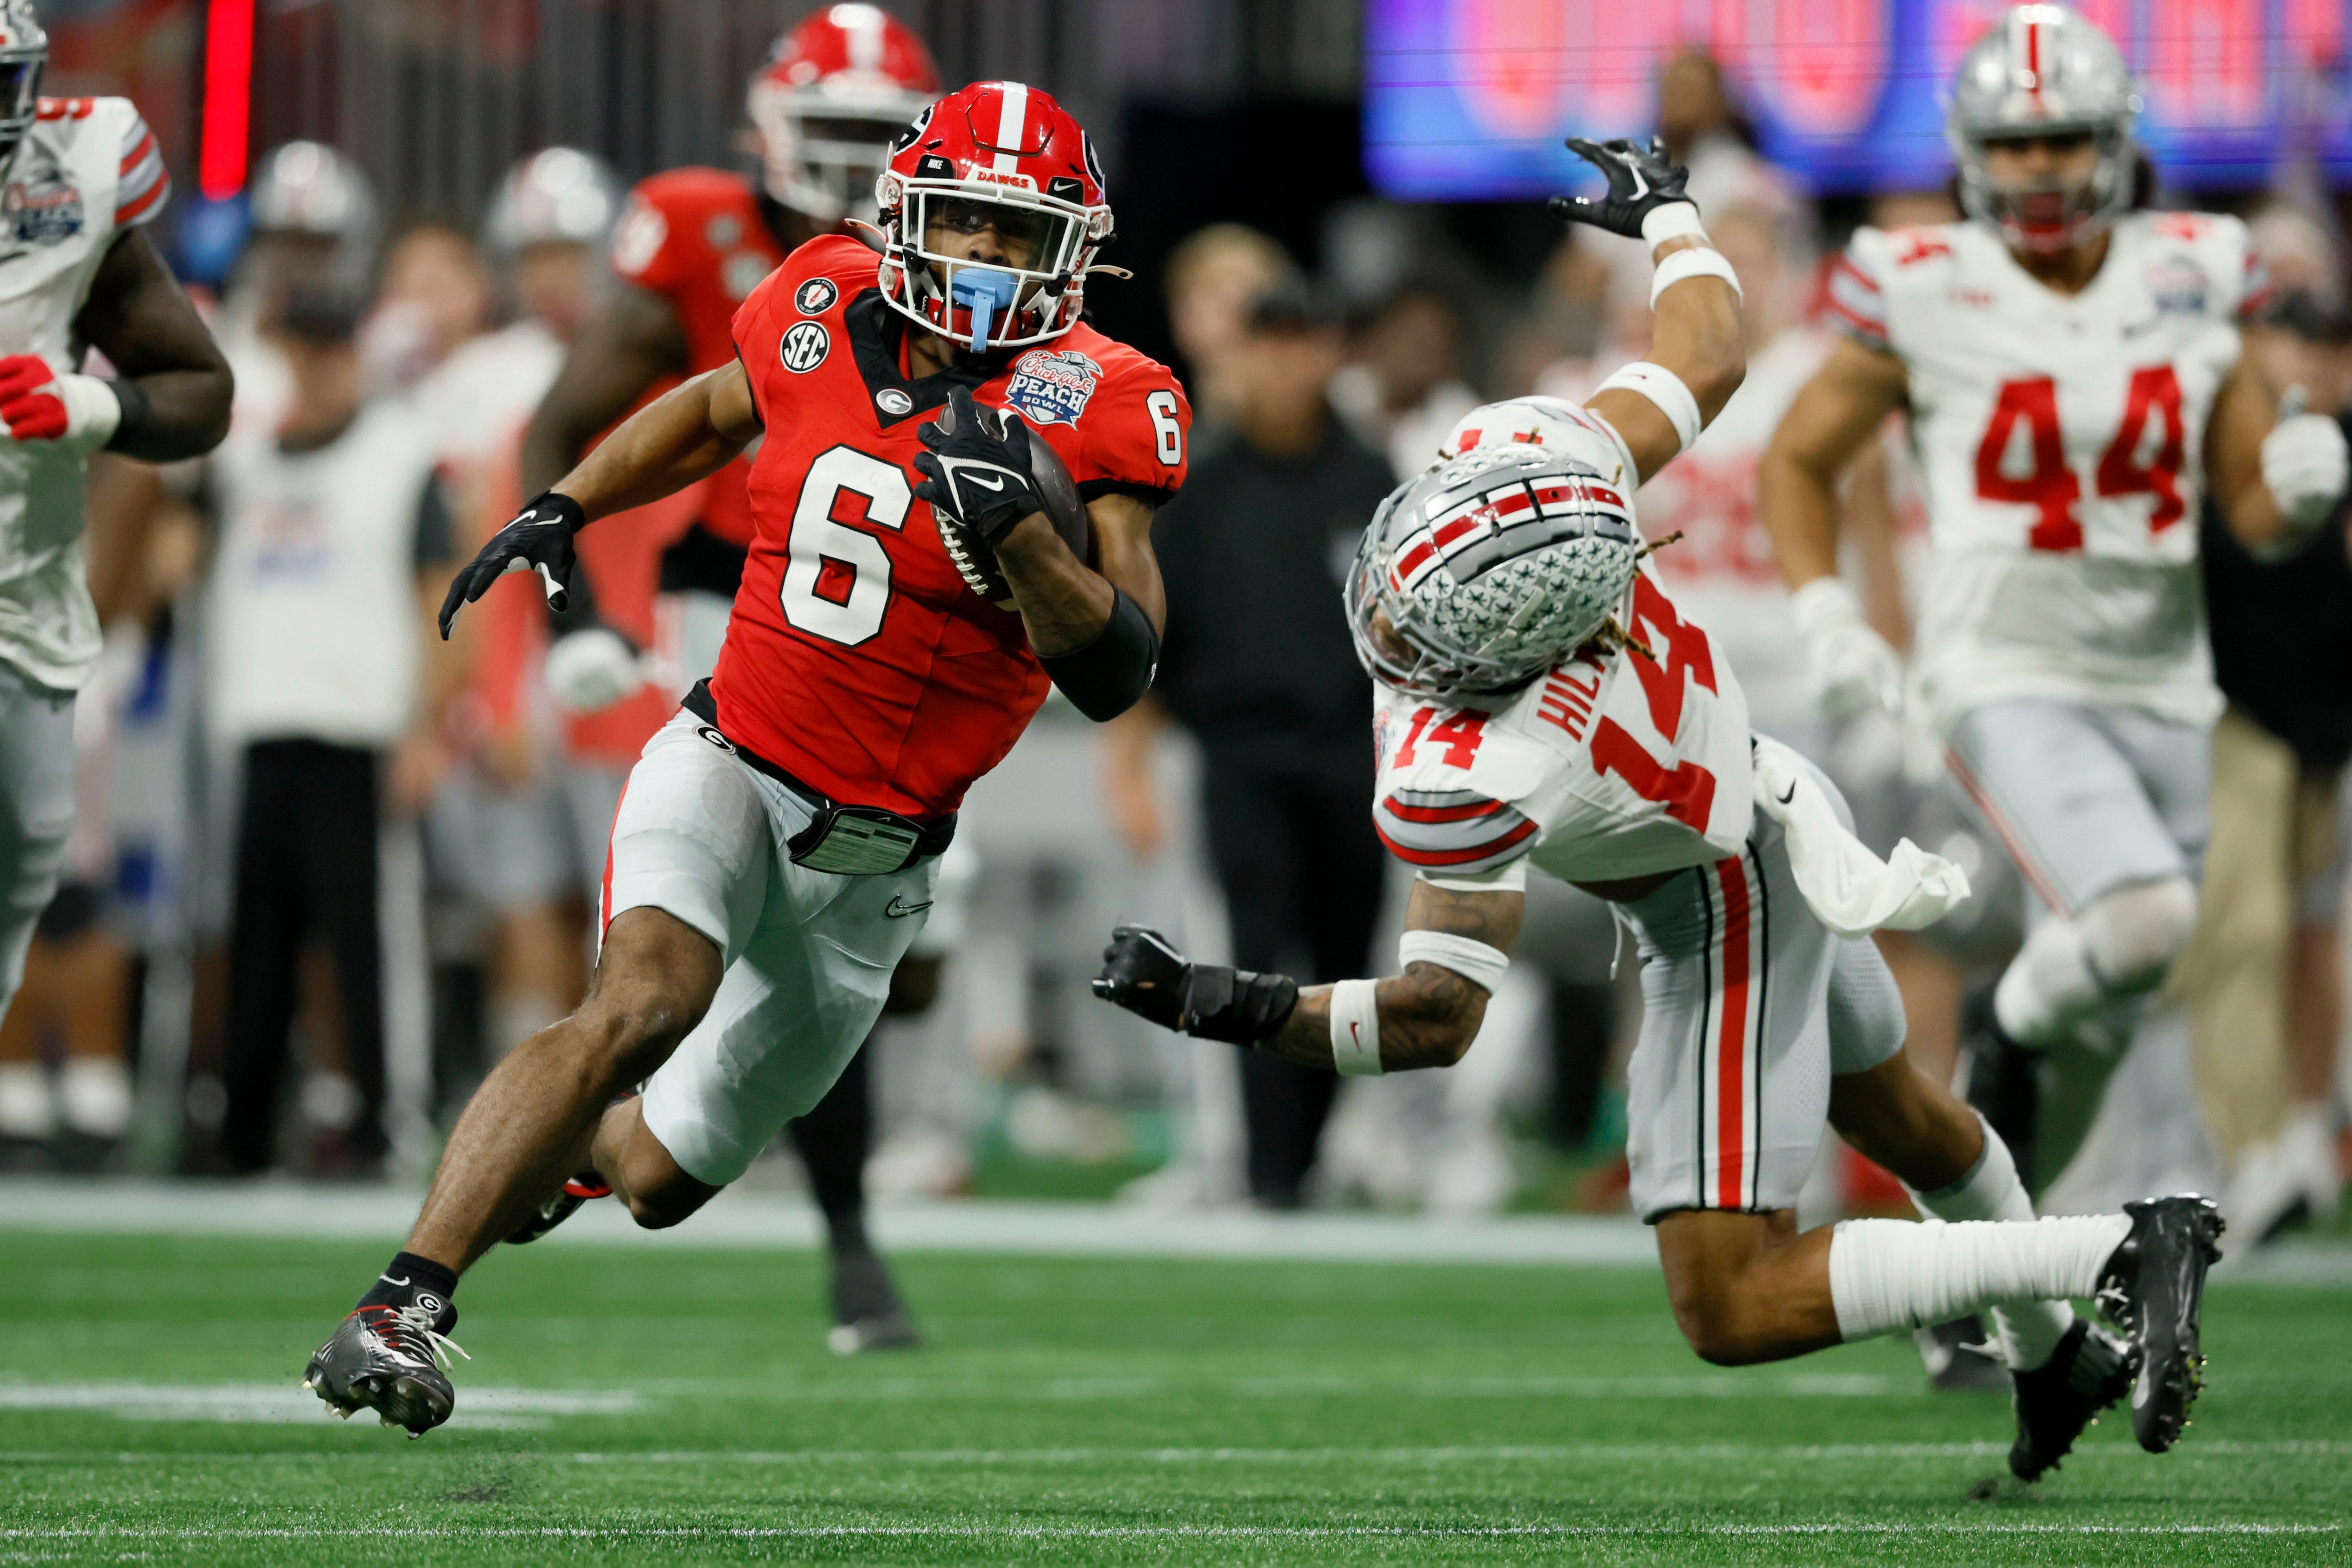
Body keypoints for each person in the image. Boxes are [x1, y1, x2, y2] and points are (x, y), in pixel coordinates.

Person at [1096, 132, 2225, 1482]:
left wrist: (1222, 1001)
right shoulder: (1543, 463)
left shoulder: (1479, 763)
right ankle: (2054, 1356)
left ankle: (2111, 1245)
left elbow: (1434, 1018)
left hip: (1718, 899)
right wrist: (1675, 216)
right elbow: (1709, 354)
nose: (1388, 613)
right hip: (1769, 800)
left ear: (1496, 658)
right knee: (1907, 1118)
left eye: (1423, 620)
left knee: (1729, 1301)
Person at [303, 80, 1189, 1433]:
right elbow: (715, 407)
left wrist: (1022, 544)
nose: (988, 264)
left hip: (886, 865)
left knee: (656, 1178)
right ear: (905, 218)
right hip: (733, 756)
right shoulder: (820, 296)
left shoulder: (1111, 397)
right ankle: (398, 1300)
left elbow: (1122, 666)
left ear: (1075, 248)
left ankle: (552, 1152)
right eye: (965, 226)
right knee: (640, 1004)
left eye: (1018, 236)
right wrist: (567, 501)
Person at [1757, 5, 2348, 1194]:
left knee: (2105, 1019)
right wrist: (1827, 605)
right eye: (2015, 143)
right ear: (1971, 150)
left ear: (2112, 144)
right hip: (2000, 668)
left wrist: (2295, 495)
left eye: (2063, 140)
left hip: (2165, 681)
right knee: (2137, 924)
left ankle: (1979, 1271)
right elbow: (1796, 457)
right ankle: (2003, 1026)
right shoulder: (1921, 279)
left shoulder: (2192, 271)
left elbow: (2242, 506)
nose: (2038, 167)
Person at [505, 7, 944, 1355]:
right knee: (743, 930)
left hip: (911, 632)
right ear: (770, 129)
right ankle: (846, 1237)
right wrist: (570, 607)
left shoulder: (958, 252)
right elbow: (566, 419)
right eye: (840, 134)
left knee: (893, 967)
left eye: (887, 138)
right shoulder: (697, 225)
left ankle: (632, 1135)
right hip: (741, 605)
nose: (861, 163)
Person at [1103, 281, 1397, 1209]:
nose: (1283, 364)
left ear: (1328, 354)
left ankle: (1305, 1153)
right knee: (1260, 951)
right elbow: (1151, 634)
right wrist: (1130, 764)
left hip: (1354, 752)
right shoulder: (1203, 481)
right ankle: (1268, 1169)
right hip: (1239, 754)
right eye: (1266, 344)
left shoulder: (1370, 475)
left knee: (1347, 959)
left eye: (1301, 343)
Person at [0, 0, 234, 1041]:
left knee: (32, 871)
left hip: (21, 616)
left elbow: (199, 390)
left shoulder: (73, 172)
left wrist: (92, 405)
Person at [208, 292, 460, 1175]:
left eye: (330, 348)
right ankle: (245, 1128)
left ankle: (383, 1120)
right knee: (259, 941)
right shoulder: (244, 463)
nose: (315, 367)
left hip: (359, 730)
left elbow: (443, 598)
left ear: (355, 354)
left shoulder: (401, 458)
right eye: (299, 348)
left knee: (365, 942)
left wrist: (428, 726)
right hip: (264, 718)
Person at [2175, 290, 2352, 1242]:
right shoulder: (2226, 430)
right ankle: (2242, 1148)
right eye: (2303, 341)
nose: (2320, 364)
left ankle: (2299, 1131)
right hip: (2232, 709)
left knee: (2311, 928)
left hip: (2322, 725)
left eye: (2334, 346)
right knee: (2240, 924)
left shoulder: (2342, 436)